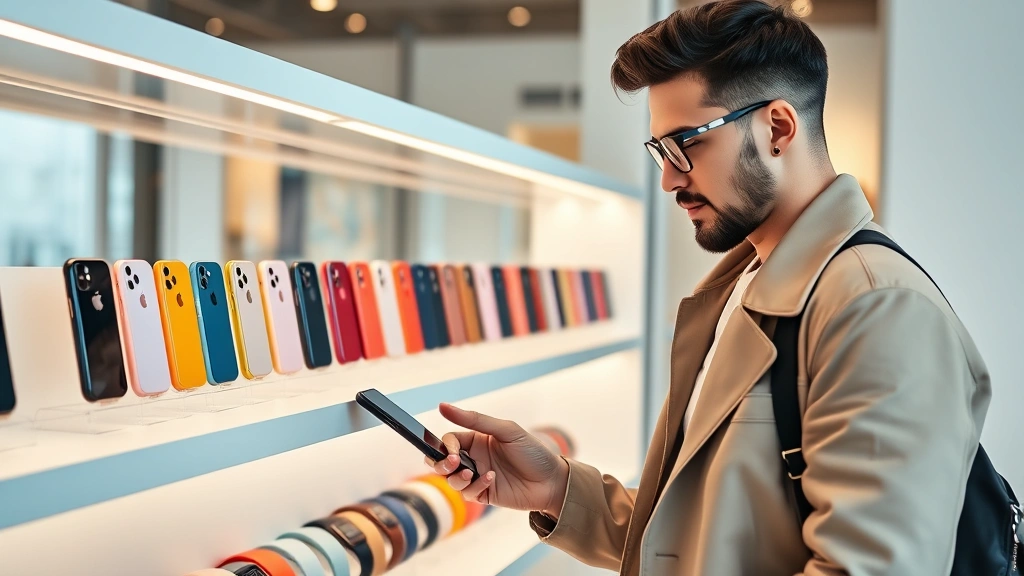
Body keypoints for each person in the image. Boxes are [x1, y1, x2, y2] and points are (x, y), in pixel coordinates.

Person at [428, 1, 992, 574]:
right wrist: (558, 490)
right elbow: (705, 535)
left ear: (777, 128)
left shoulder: (877, 308)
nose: (670, 178)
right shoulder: (739, 287)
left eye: (687, 143)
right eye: (660, 151)